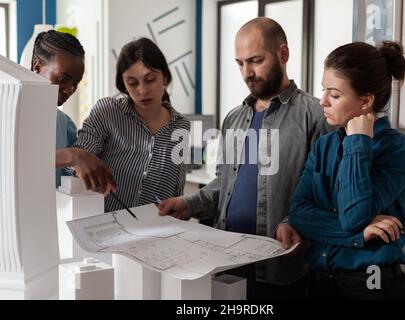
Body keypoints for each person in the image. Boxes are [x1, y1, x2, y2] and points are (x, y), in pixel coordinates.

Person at [158, 17, 328, 299]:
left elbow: (323, 192)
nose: (247, 72)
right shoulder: (235, 118)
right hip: (228, 265)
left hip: (281, 270)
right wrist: (189, 204)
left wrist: (293, 221)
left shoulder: (314, 115)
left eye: (256, 60)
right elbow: (223, 182)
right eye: (240, 63)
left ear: (283, 54)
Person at [284, 41, 405, 300]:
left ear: (366, 100)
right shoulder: (324, 145)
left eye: (334, 94)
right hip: (318, 284)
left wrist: (358, 142)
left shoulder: (396, 148)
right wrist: (360, 234)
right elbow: (298, 213)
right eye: (324, 91)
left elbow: (354, 216)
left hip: (370, 287)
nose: (322, 102)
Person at [73, 38, 190, 212]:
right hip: (106, 228)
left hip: (157, 230)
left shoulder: (181, 127)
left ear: (164, 77)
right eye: (132, 83)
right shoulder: (108, 112)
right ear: (124, 86)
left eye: (150, 79)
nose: (142, 91)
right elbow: (77, 165)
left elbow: (176, 189)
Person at [31, 30, 116, 193]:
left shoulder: (65, 125)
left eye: (75, 84)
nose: (69, 90)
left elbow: (68, 176)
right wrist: (71, 156)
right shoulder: (7, 115)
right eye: (63, 79)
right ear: (37, 66)